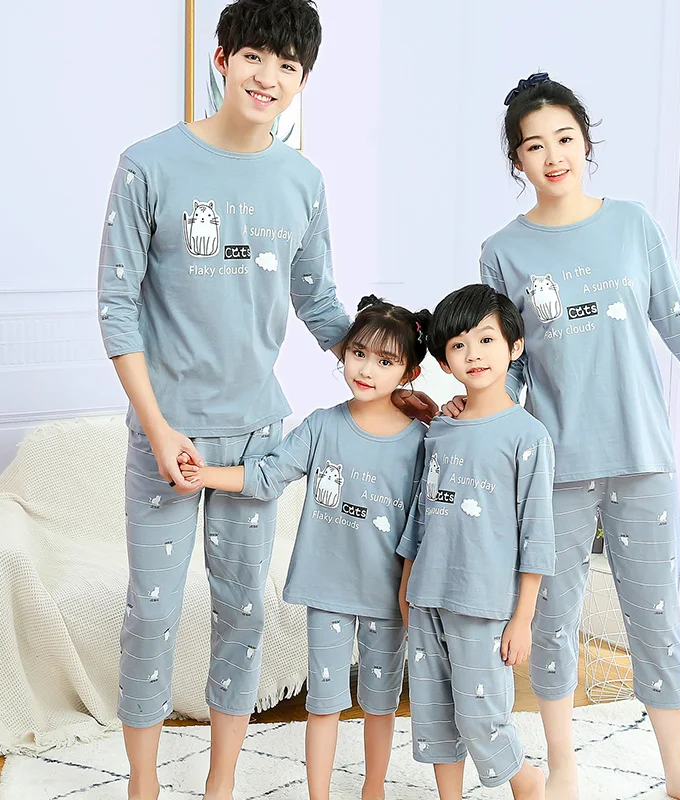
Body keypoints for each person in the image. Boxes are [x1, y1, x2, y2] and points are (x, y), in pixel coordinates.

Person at [97, 2, 434, 797]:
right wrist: (158, 427)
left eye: (288, 66)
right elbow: (116, 309)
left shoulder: (302, 180)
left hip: (256, 438)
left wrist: (401, 372)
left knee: (244, 613)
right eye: (255, 57)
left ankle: (220, 784)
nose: (269, 77)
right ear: (222, 58)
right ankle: (143, 785)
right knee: (152, 613)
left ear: (303, 79)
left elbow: (321, 305)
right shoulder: (148, 164)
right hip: (167, 435)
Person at [443, 73, 680, 800]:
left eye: (565, 138)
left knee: (655, 622)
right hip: (556, 466)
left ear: (586, 142)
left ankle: (678, 773)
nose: (553, 156)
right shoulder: (502, 250)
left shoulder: (633, 225)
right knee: (552, 624)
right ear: (516, 159)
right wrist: (471, 413)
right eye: (534, 146)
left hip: (643, 459)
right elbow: (508, 364)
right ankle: (563, 769)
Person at [180, 296, 429, 800]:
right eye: (359, 353)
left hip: (390, 597)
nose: (367, 370)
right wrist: (206, 475)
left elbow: (426, 524)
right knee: (324, 703)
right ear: (344, 353)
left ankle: (374, 789)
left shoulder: (423, 441)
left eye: (386, 362)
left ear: (409, 373)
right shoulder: (321, 426)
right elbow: (270, 475)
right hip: (327, 588)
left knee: (381, 704)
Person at [398, 284, 555, 800]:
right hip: (427, 594)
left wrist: (523, 618)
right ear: (445, 361)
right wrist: (406, 587)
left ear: (514, 347)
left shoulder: (529, 436)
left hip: (485, 601)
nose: (474, 353)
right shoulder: (441, 429)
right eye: (459, 345)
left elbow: (536, 532)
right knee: (434, 715)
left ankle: (526, 781)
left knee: (481, 714)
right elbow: (421, 515)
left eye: (486, 339)